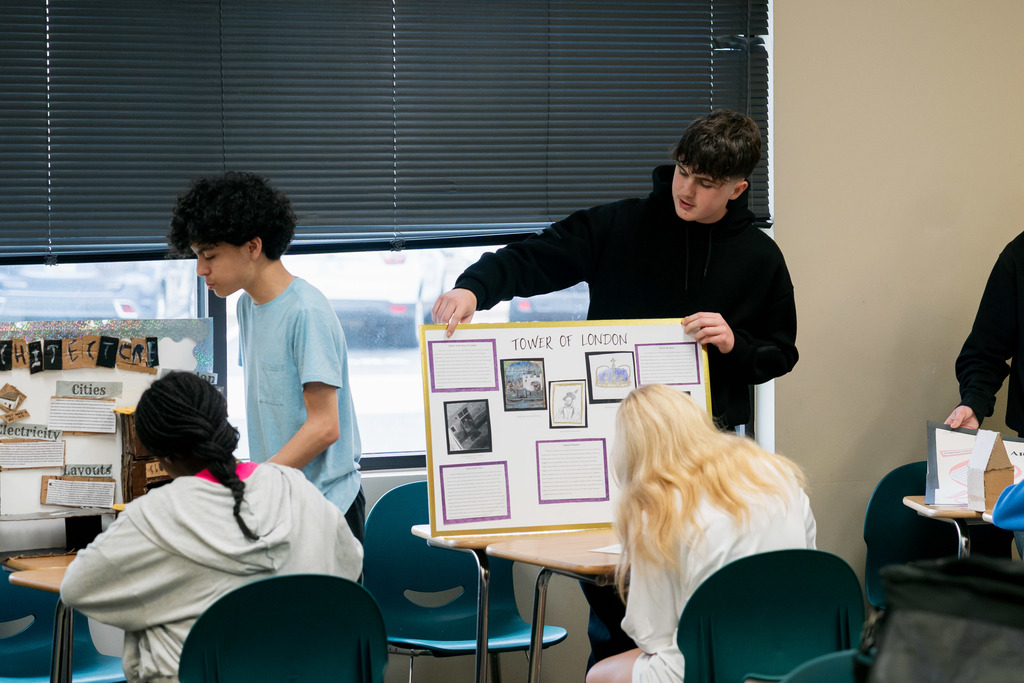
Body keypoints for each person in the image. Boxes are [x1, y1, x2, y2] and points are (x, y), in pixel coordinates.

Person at [432, 108, 799, 665]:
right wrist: (474, 289)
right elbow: (536, 256)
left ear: (737, 188)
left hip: (707, 464)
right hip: (618, 455)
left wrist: (734, 344)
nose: (686, 189)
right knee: (616, 621)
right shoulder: (622, 224)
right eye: (682, 172)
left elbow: (780, 353)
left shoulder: (759, 257)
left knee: (695, 620)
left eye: (705, 183)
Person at [61, 371, 362, 683]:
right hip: (305, 673)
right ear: (223, 424)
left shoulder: (154, 514)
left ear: (161, 455)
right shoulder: (295, 487)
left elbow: (77, 588)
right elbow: (348, 566)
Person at [168, 171, 365, 542]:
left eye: (210, 255)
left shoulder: (306, 312)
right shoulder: (247, 306)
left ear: (253, 247)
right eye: (197, 257)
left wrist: (252, 482)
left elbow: (325, 426)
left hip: (325, 506)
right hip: (279, 498)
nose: (200, 270)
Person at [585, 384, 816, 683]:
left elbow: (651, 636)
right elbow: (809, 561)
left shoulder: (659, 509)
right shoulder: (778, 475)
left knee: (598, 675)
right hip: (798, 652)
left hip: (710, 667)